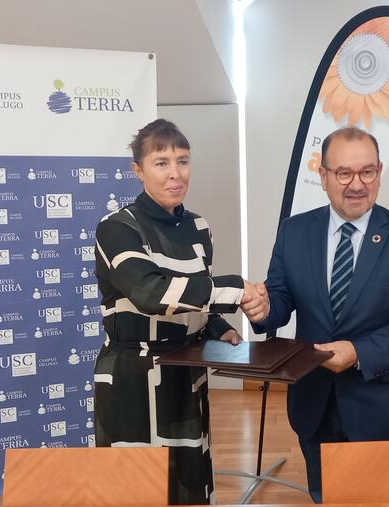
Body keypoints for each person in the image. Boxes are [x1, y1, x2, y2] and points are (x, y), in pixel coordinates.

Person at [253, 127, 389, 502]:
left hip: (383, 410)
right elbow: (280, 299)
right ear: (323, 175)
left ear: (379, 172)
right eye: (343, 173)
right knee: (325, 497)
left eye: (367, 172)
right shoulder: (294, 232)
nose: (357, 184)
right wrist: (263, 307)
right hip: (314, 406)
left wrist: (359, 352)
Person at [92, 119, 267, 504]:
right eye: (161, 163)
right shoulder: (116, 227)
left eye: (183, 161)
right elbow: (150, 292)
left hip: (185, 373)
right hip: (132, 378)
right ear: (137, 170)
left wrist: (217, 327)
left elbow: (194, 297)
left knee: (188, 484)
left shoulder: (198, 227)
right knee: (135, 487)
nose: (175, 173)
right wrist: (237, 288)